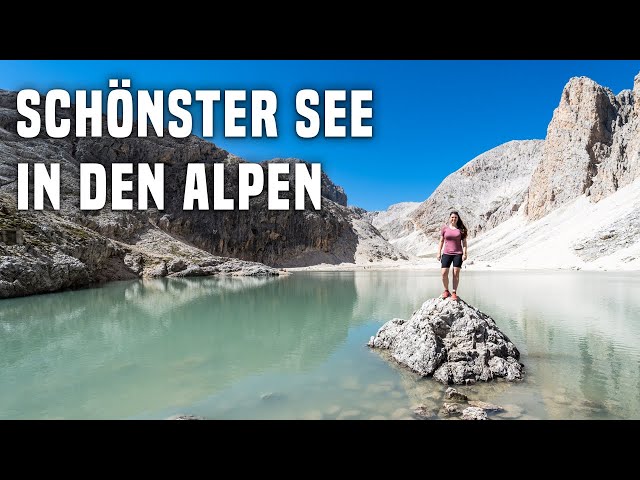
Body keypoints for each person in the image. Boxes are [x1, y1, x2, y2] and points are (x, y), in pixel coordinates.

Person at [436, 211, 468, 300]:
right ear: (450, 218)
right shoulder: (445, 229)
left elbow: (464, 243)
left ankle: (454, 292)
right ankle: (446, 290)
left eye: (455, 217)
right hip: (446, 253)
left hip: (458, 254)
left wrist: (465, 253)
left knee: (455, 273)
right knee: (443, 273)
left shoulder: (461, 230)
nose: (454, 219)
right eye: (452, 217)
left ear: (458, 219)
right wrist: (438, 252)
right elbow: (441, 241)